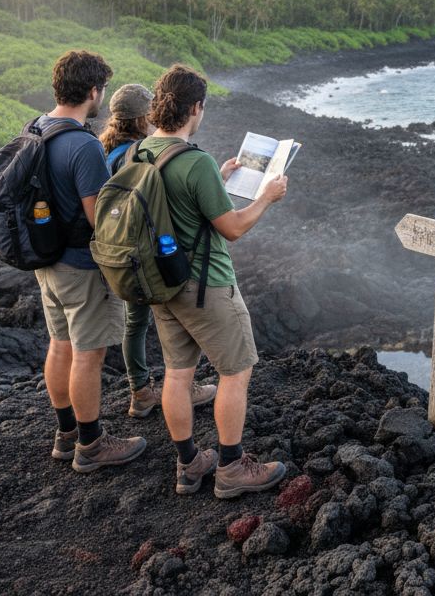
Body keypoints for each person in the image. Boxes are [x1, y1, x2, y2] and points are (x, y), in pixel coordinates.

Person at [138, 64, 289, 498]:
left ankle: (188, 466)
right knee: (236, 372)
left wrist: (219, 179)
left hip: (161, 283)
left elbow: (173, 203)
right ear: (196, 108)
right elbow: (233, 227)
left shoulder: (144, 151)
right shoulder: (195, 161)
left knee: (177, 374)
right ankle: (231, 468)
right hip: (206, 284)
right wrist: (267, 197)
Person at [35, 50, 146, 473]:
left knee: (59, 344)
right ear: (94, 90)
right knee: (88, 355)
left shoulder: (39, 128)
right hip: (81, 267)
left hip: (47, 261)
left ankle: (66, 435)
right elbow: (100, 217)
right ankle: (91, 443)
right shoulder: (82, 144)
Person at [98, 82, 217, 418]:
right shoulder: (136, 153)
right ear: (142, 117)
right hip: (145, 254)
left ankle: (140, 390)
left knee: (135, 324)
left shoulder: (108, 152)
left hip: (117, 251)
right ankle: (179, 388)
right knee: (171, 319)